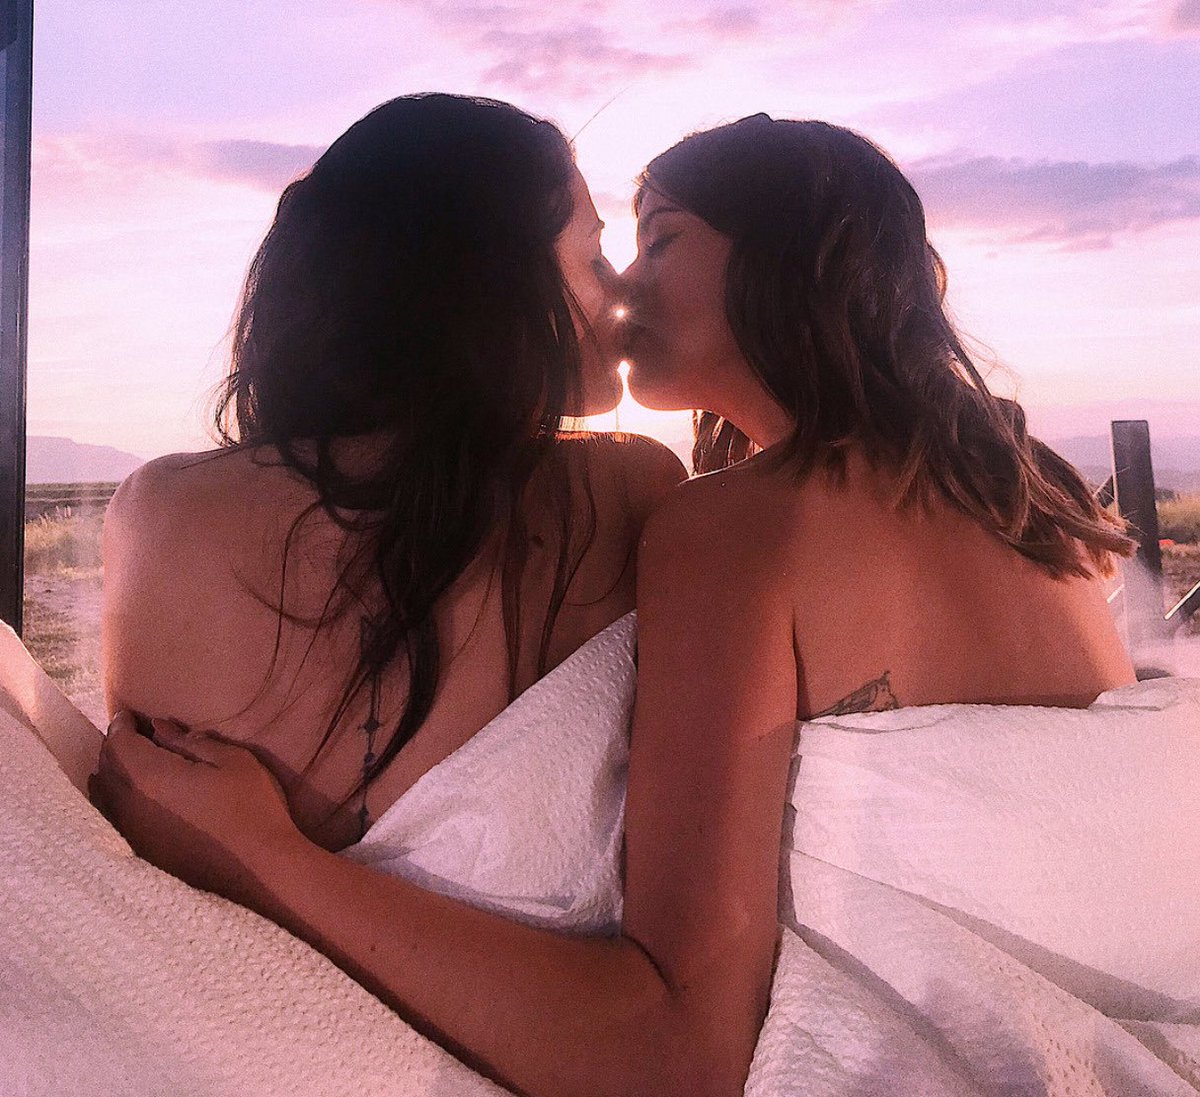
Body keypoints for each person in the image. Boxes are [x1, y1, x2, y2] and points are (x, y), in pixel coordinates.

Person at [97, 117, 1181, 1097]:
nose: (619, 287)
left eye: (656, 239)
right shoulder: (1018, 480)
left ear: (783, 260)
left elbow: (677, 1030)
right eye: (610, 245)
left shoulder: (728, 521)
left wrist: (272, 853)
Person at [99, 93, 685, 852]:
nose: (620, 289)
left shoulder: (156, 514)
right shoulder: (624, 493)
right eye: (596, 254)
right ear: (489, 278)